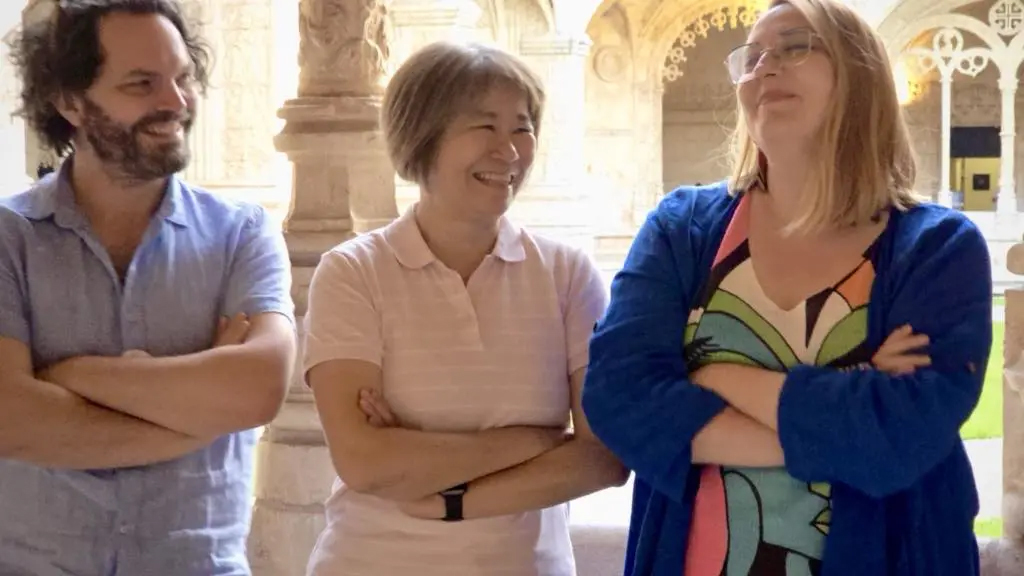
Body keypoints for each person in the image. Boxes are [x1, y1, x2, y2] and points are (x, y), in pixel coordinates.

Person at [582, 1, 992, 575]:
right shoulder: (682, 230)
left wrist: (714, 377)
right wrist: (844, 407)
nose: (765, 66)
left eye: (796, 46)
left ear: (860, 74)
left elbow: (903, 435)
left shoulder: (937, 248)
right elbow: (618, 399)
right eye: (751, 57)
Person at [302, 41, 628, 576]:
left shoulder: (567, 274)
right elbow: (364, 462)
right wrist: (537, 440)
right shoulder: (353, 272)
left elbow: (604, 459)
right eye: (485, 127)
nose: (510, 151)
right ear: (422, 135)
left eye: (522, 128)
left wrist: (445, 495)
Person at [0, 1, 296, 574]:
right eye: (142, 83)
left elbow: (259, 389)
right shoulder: (8, 238)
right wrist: (199, 419)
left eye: (183, 77)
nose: (176, 101)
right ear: (69, 101)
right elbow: (9, 419)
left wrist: (75, 375)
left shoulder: (242, 233)